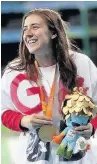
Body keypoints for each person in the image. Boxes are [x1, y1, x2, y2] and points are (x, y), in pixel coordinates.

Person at [1, 9, 97, 164]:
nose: (28, 33)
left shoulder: (81, 64)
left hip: (79, 157)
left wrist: (92, 126)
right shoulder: (14, 71)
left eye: (35, 27)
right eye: (25, 29)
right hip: (33, 158)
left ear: (53, 33)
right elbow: (3, 111)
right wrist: (23, 121)